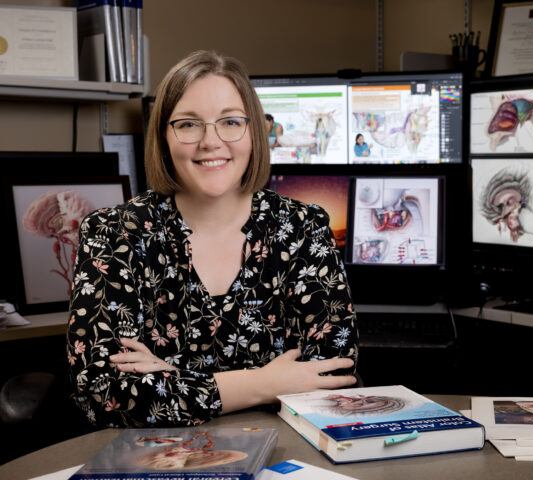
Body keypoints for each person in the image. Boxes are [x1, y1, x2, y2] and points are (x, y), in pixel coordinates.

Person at [66, 49, 358, 428]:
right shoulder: (113, 233)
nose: (210, 141)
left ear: (254, 131)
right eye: (188, 124)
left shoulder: (304, 227)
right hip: (159, 460)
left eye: (230, 122)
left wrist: (169, 375)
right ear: (163, 137)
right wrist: (265, 383)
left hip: (287, 454)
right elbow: (103, 391)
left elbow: (334, 375)